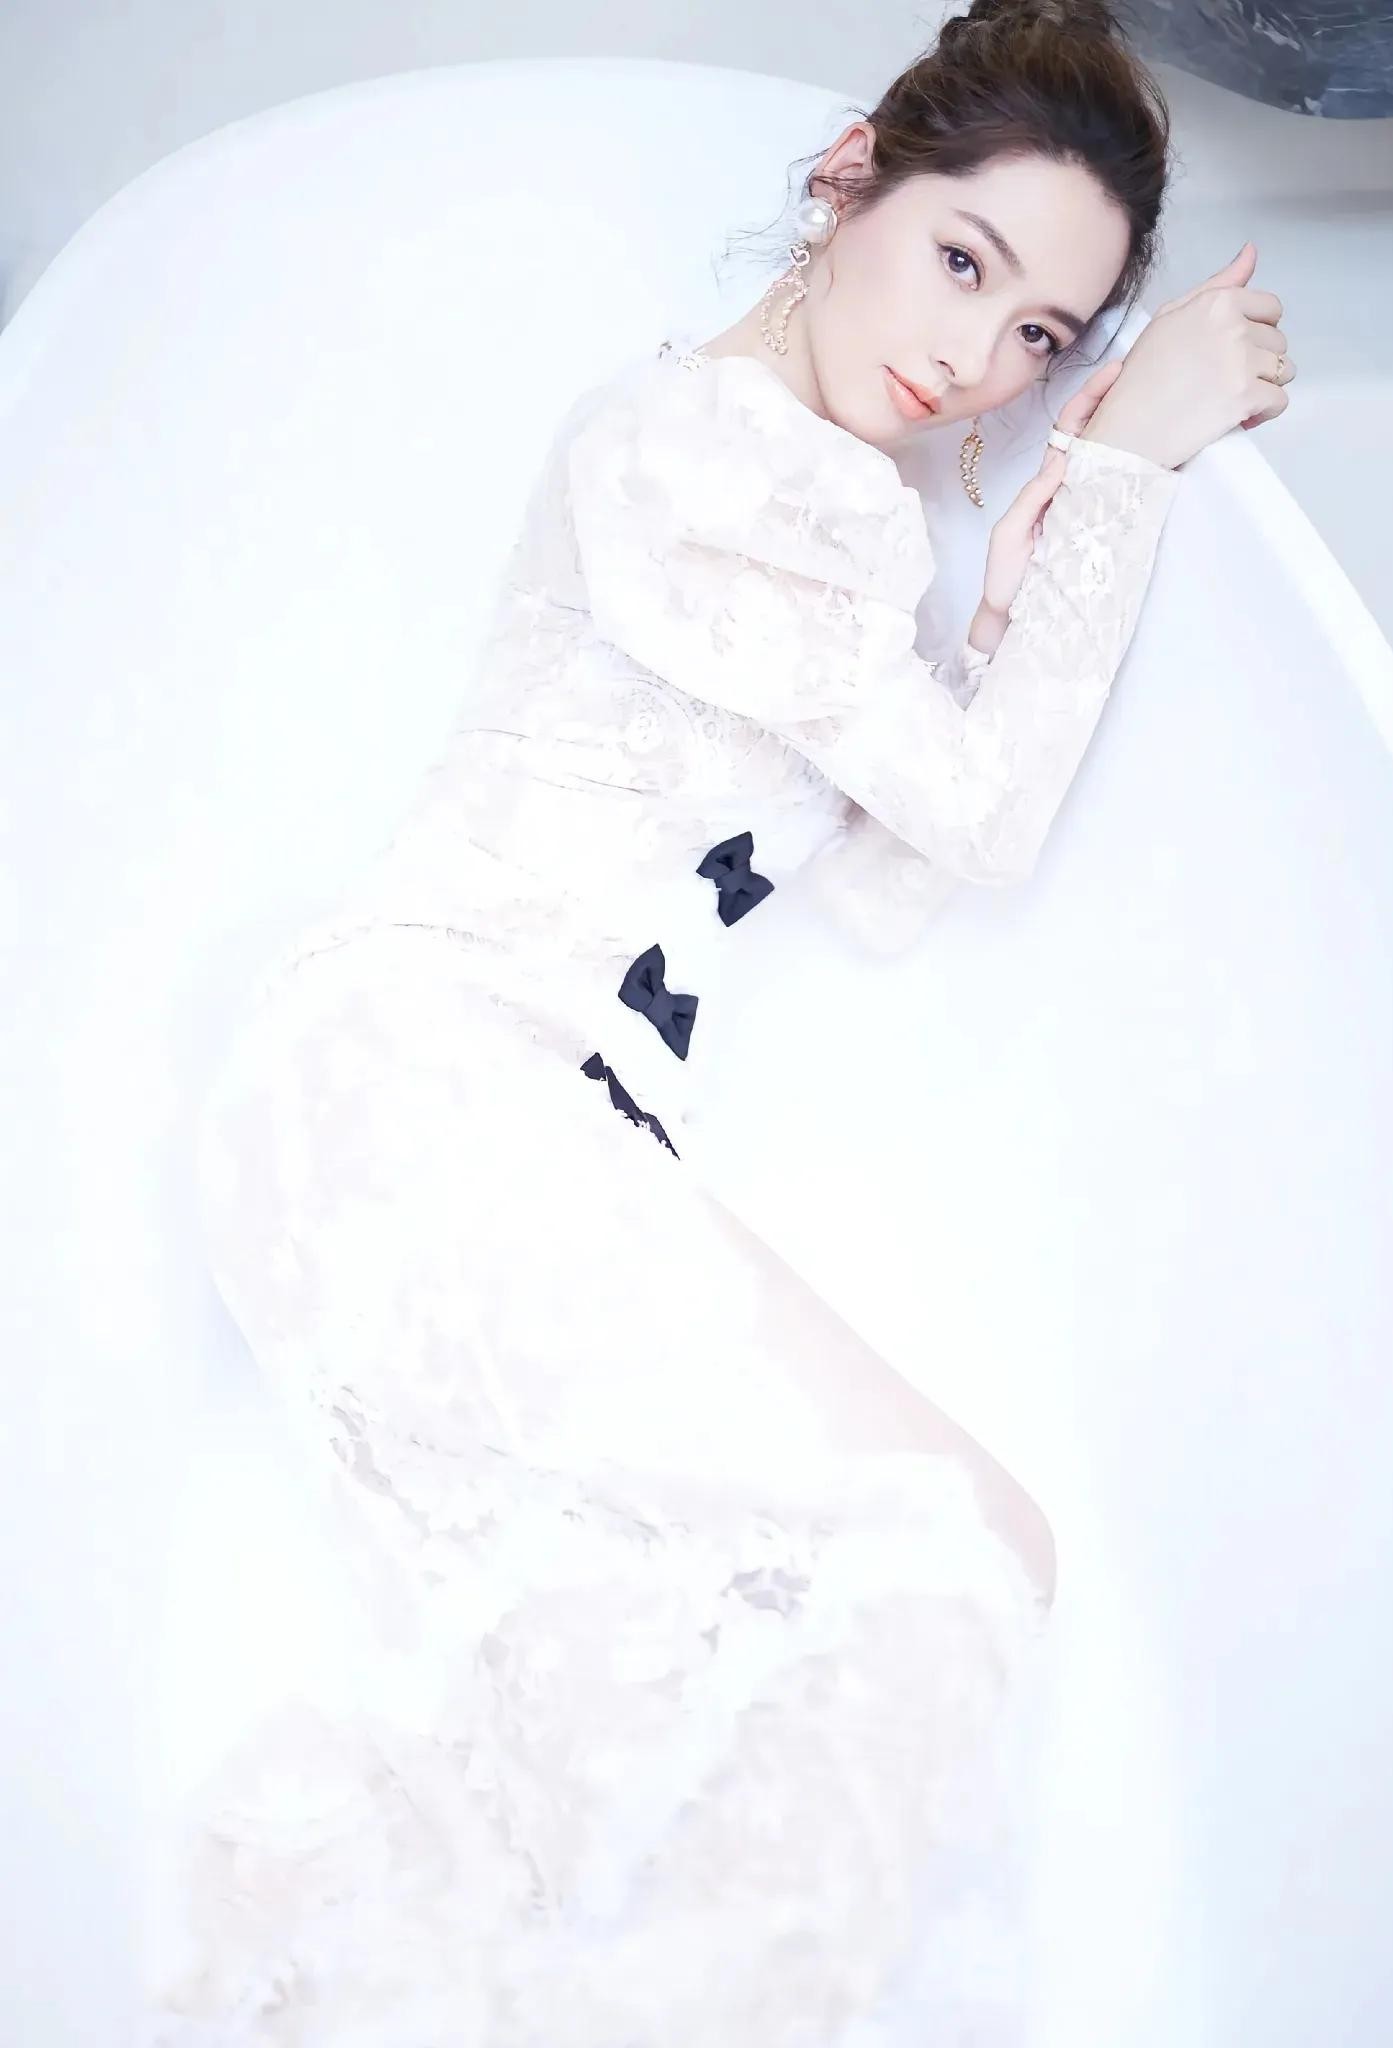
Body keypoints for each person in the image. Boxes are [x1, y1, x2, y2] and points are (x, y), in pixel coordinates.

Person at [141, 0, 1294, 2040]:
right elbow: (979, 817)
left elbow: (892, 880)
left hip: (464, 1130)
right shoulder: (693, 456)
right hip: (415, 1088)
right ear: (850, 176)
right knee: (968, 1560)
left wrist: (1018, 571)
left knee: (618, 1740)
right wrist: (1117, 459)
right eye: (963, 261)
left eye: (1043, 335)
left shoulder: (821, 512)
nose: (980, 358)